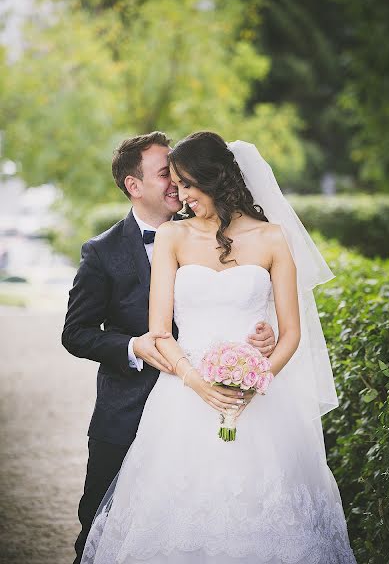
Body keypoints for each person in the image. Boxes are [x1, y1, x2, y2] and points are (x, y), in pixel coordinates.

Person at [80, 131, 356, 563]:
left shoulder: (273, 238)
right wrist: (197, 383)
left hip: (261, 403)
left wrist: (256, 381)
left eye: (187, 184)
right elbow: (159, 332)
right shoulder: (173, 236)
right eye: (175, 183)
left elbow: (292, 335)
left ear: (216, 180)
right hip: (182, 398)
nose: (182, 195)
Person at [62, 131, 275, 564]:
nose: (178, 185)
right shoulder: (101, 252)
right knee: (102, 531)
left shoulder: (221, 232)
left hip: (211, 408)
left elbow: (245, 298)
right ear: (133, 186)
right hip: (127, 411)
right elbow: (76, 332)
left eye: (180, 176)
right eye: (165, 175)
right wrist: (133, 345)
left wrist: (263, 335)